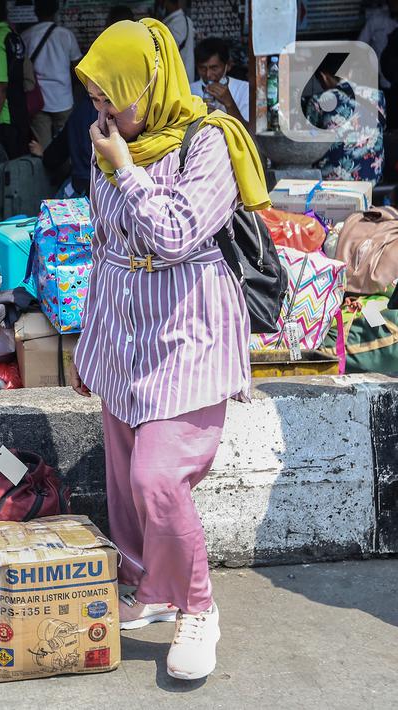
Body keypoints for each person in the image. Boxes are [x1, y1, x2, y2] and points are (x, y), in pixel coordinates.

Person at [70, 18, 271, 681]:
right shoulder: (108, 142)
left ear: (149, 82)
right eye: (94, 100)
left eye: (111, 99)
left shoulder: (204, 143)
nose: (101, 115)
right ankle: (147, 593)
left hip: (188, 334)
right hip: (123, 337)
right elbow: (103, 247)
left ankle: (196, 609)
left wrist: (126, 170)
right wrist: (87, 342)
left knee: (157, 478)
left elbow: (177, 233)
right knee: (125, 488)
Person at [303, 54, 387, 184]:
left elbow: (310, 142)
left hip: (332, 180)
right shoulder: (377, 97)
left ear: (324, 76)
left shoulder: (319, 101)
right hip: (371, 178)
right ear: (350, 71)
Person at [23, 0, 84, 148]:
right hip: (63, 100)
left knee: (43, 149)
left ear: (35, 12)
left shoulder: (26, 36)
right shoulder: (66, 35)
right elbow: (78, 67)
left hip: (38, 101)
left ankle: (44, 171)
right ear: (55, 13)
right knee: (67, 145)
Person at [0, 1, 28, 157]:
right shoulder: (13, 35)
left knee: (4, 170)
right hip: (20, 109)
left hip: (4, 116)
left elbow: (0, 84)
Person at [191, 38, 249, 125]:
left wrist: (229, 103)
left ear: (228, 65)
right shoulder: (189, 90)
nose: (208, 75)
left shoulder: (244, 89)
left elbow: (247, 132)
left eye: (214, 68)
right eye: (202, 68)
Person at [160, 0, 196, 83]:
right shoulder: (185, 20)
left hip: (179, 76)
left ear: (166, 3)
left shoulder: (176, 24)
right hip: (184, 73)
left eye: (161, 3)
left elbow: (168, 51)